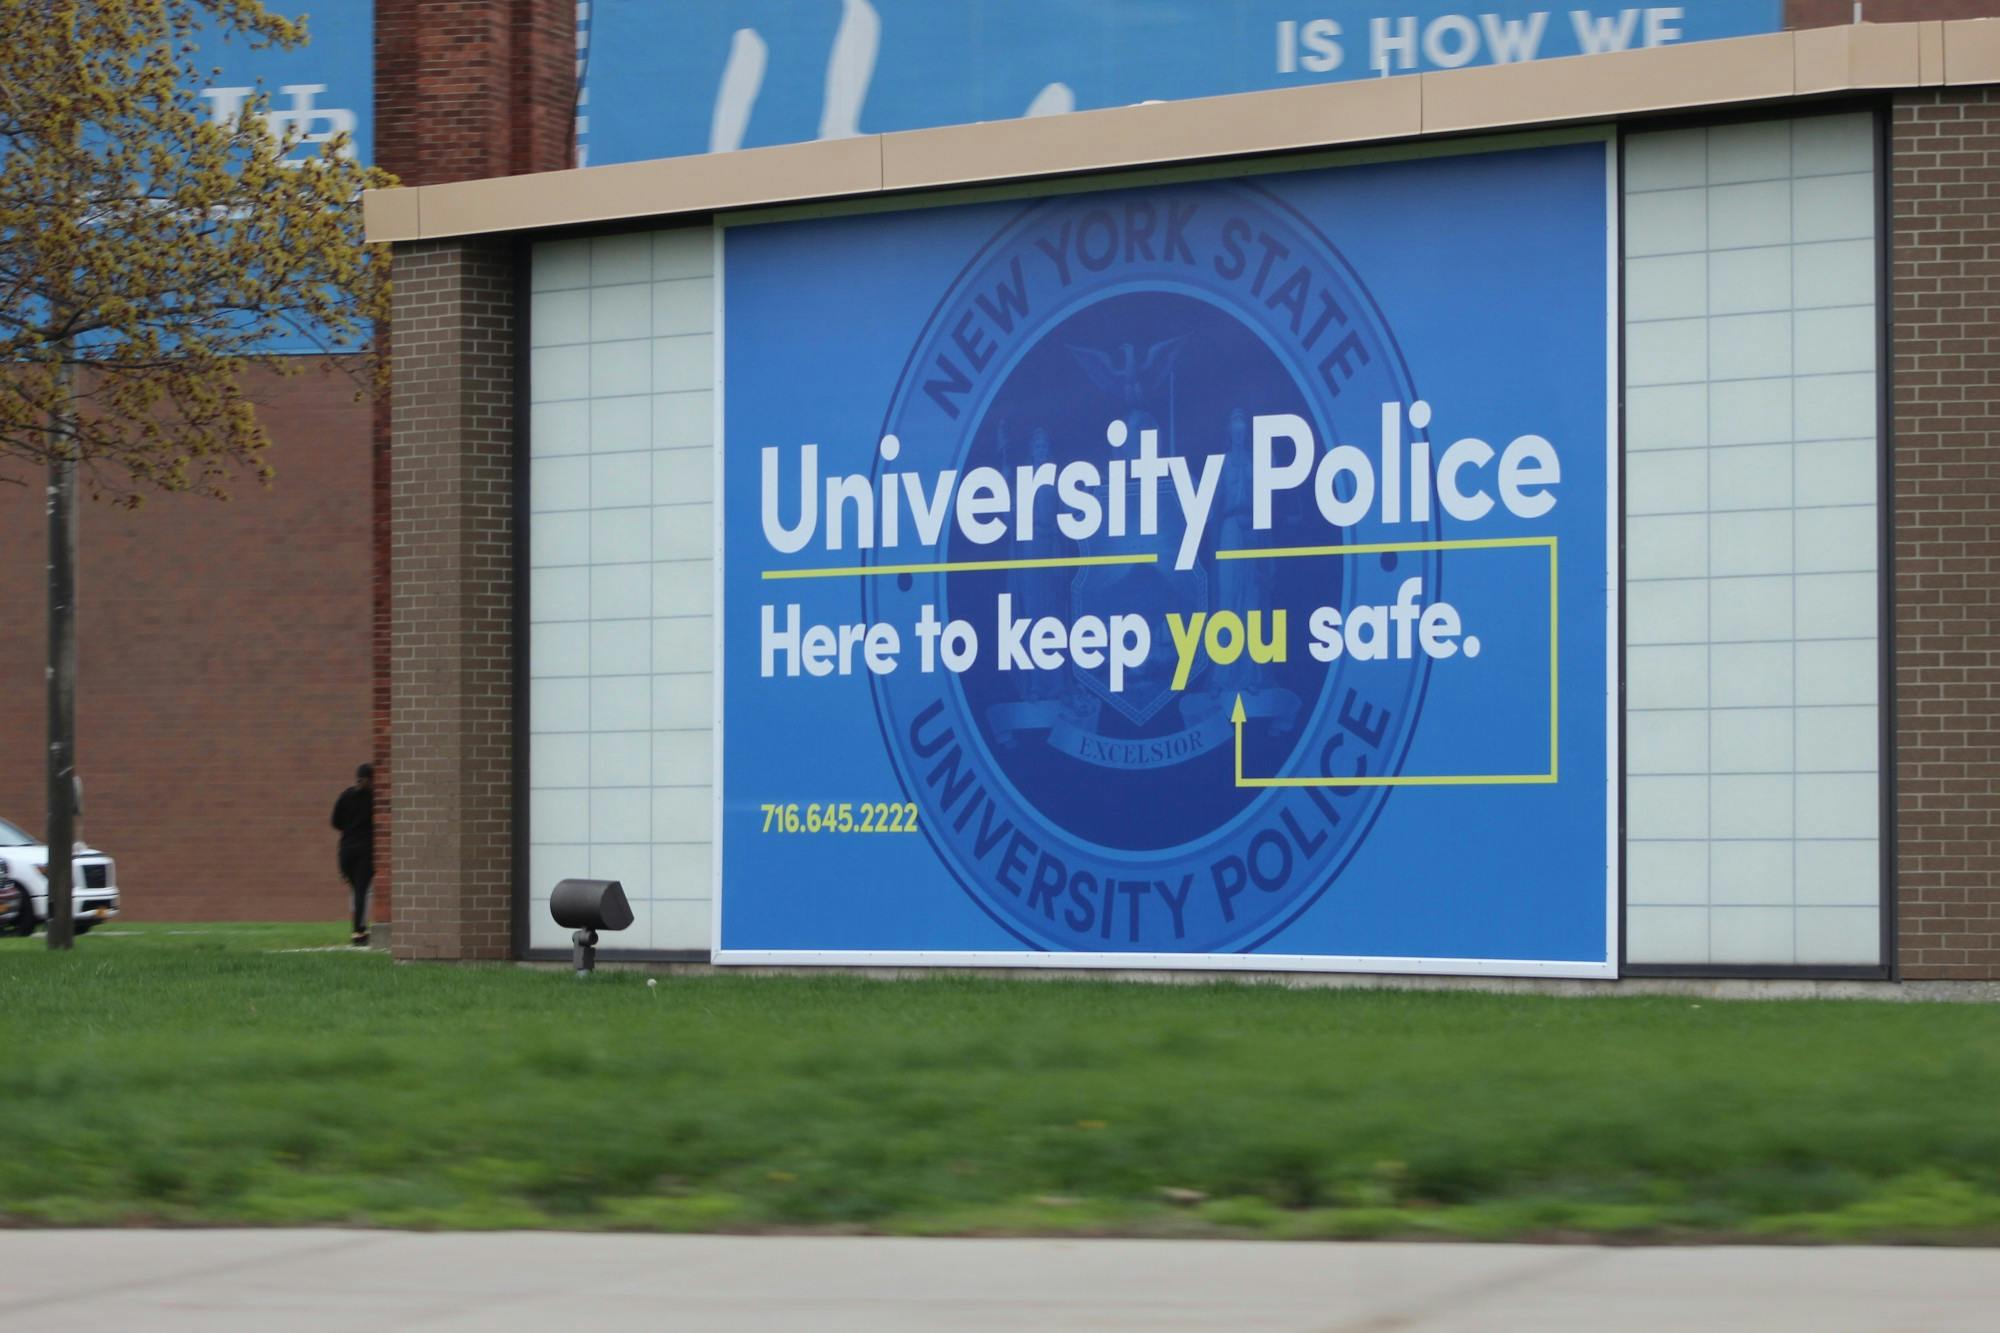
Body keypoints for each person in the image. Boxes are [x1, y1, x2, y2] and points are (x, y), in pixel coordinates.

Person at [330, 763, 375, 947]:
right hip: (365, 850)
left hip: (346, 851)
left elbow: (335, 822)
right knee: (363, 891)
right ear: (369, 779)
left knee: (357, 891)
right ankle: (358, 932)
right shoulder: (373, 798)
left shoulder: (345, 796)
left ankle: (359, 928)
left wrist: (349, 829)